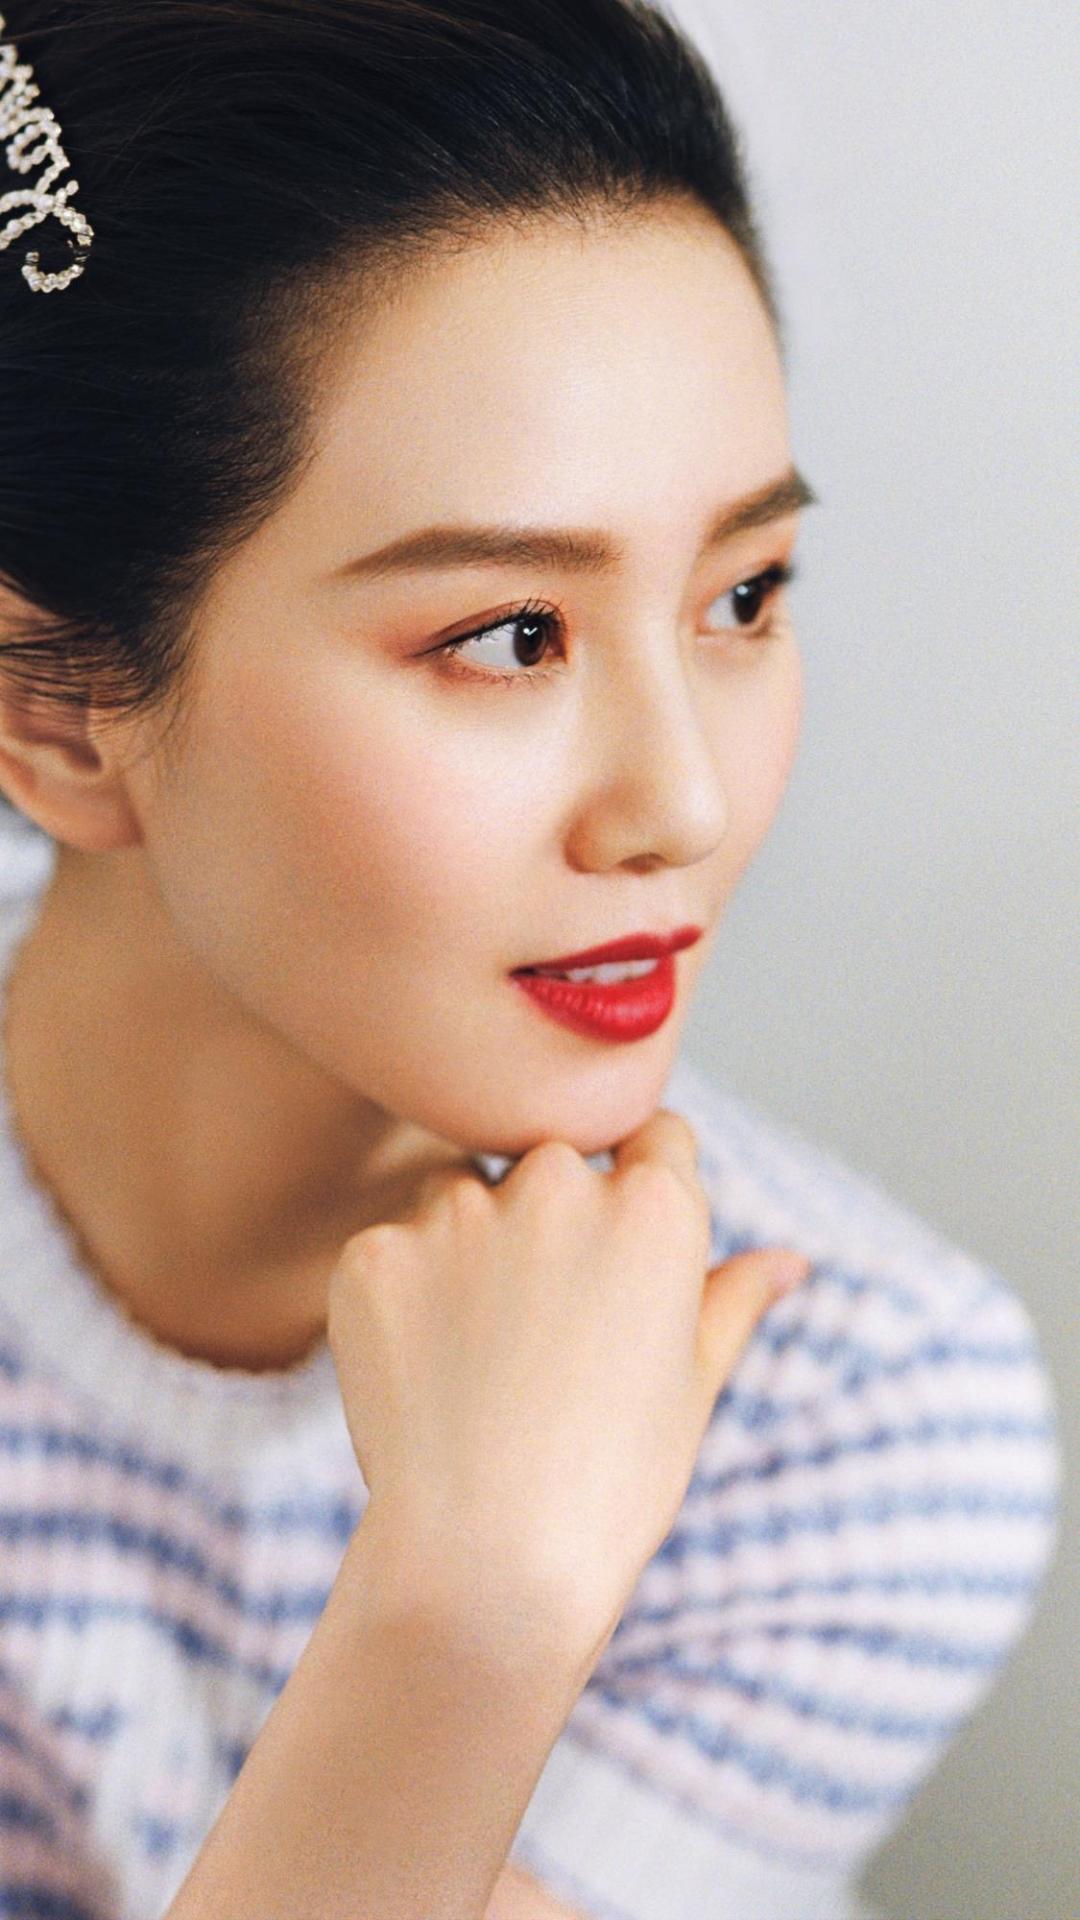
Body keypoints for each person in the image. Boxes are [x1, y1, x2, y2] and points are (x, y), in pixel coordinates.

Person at [0, 2, 1060, 1916]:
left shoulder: (842, 1416)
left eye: (743, 595)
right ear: (59, 712)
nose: (685, 805)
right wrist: (473, 1599)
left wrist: (475, 1610)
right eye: (508, 635)